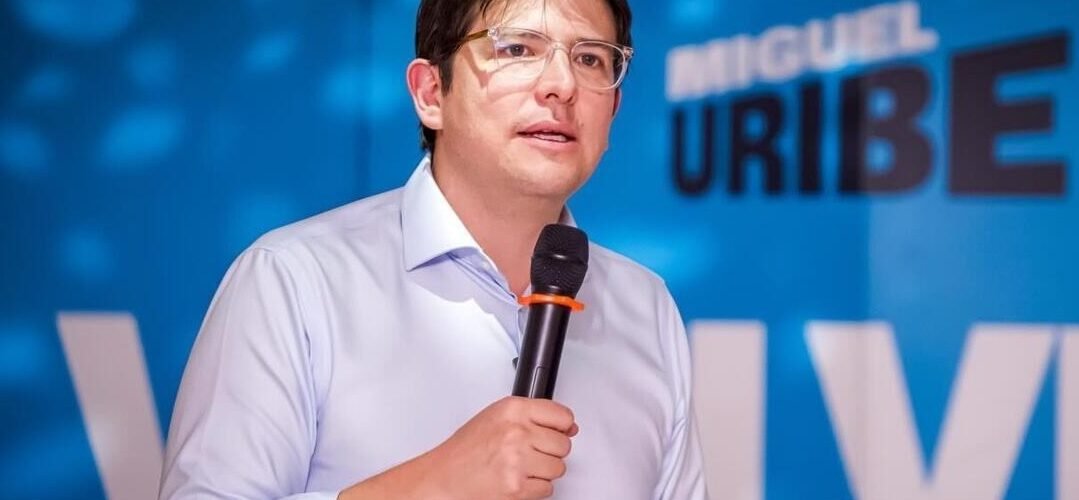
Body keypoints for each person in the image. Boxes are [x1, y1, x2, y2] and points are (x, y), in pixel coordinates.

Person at [159, 0, 707, 498]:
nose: (562, 85)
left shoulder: (645, 308)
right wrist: (431, 486)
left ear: (614, 108)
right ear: (430, 93)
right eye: (517, 49)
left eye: (590, 59)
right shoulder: (296, 281)